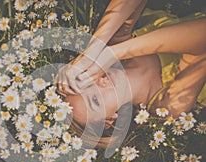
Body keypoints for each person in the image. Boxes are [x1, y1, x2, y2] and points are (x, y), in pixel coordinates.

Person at [55, 1, 206, 148]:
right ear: (110, 119)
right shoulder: (166, 107)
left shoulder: (116, 48)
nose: (100, 81)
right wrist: (113, 53)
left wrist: (95, 47)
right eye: (95, 100)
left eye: (87, 81)